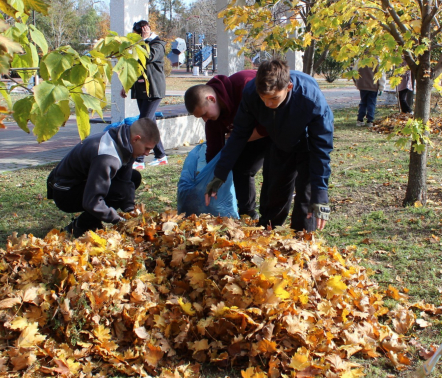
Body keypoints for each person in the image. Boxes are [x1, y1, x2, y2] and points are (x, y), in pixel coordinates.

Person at [205, 59, 334, 232]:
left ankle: (302, 238)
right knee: (274, 193)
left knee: (307, 196)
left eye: (274, 98)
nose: (268, 104)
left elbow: (321, 148)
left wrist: (321, 193)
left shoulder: (311, 100)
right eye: (263, 98)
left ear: (288, 87)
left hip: (308, 143)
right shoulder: (251, 93)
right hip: (279, 141)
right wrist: (220, 174)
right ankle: (268, 234)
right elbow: (239, 135)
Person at [46, 118, 160, 238]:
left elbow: (125, 181)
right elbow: (92, 202)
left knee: (134, 177)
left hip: (80, 183)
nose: (147, 154)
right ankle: (80, 226)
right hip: (65, 192)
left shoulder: (125, 140)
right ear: (136, 139)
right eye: (147, 148)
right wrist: (118, 220)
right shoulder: (106, 157)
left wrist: (130, 210)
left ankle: (91, 221)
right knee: (117, 192)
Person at [183, 70, 270, 218]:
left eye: (204, 114)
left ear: (211, 99)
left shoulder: (245, 85)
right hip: (247, 136)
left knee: (273, 172)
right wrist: (209, 178)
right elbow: (214, 151)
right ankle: (247, 213)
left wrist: (241, 136)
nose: (205, 120)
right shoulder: (212, 120)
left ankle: (271, 218)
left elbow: (269, 123)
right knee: (241, 168)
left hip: (274, 129)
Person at [122, 20, 167, 169]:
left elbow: (147, 57)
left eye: (137, 34)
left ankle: (139, 160)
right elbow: (135, 67)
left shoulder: (157, 44)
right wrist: (126, 85)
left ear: (144, 31)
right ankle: (161, 156)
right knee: (150, 123)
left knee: (143, 123)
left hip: (154, 90)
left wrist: (145, 39)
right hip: (142, 90)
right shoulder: (140, 45)